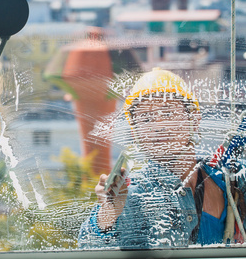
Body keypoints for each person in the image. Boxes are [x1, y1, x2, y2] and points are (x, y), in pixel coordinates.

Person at [78, 68, 246, 248]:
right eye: (146, 118)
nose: (158, 126)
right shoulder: (136, 196)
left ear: (195, 119)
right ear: (135, 134)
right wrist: (109, 214)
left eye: (167, 114)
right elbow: (88, 247)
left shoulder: (231, 180)